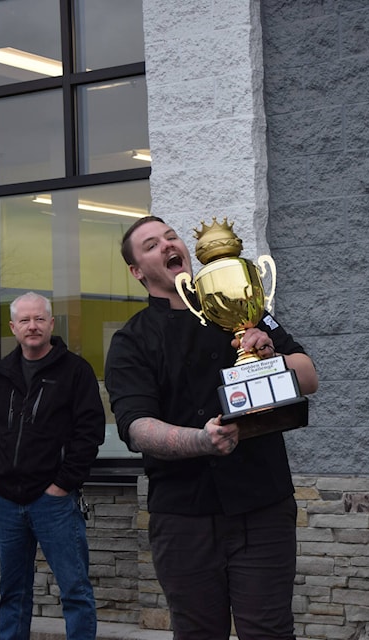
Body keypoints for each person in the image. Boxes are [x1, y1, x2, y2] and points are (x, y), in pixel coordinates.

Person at [104, 216, 319, 640]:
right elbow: (136, 427)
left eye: (170, 236)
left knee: (271, 632)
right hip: (184, 518)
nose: (167, 245)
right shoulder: (133, 340)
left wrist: (269, 351)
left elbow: (309, 376)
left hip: (262, 506)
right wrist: (201, 440)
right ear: (137, 271)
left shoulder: (243, 307)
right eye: (150, 245)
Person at [0, 292, 104, 640]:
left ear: (51, 324)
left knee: (74, 590)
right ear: (14, 327)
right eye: (25, 321)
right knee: (13, 593)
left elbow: (89, 434)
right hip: (7, 501)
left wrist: (63, 483)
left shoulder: (76, 372)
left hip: (55, 502)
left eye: (39, 319)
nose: (33, 326)